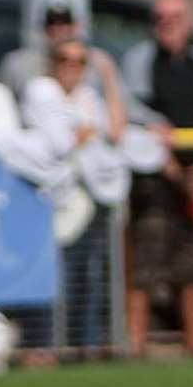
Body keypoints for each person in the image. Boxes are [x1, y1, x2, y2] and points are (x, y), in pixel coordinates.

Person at [120, 0, 193, 358]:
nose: (168, 24)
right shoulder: (140, 62)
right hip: (153, 179)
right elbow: (138, 116)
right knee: (145, 265)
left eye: (176, 17)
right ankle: (134, 347)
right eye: (160, 17)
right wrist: (172, 170)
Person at [23, 36, 130, 354]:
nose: (72, 69)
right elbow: (60, 142)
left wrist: (109, 78)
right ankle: (45, 347)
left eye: (80, 62)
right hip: (48, 203)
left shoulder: (87, 96)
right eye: (65, 60)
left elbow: (114, 131)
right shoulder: (41, 91)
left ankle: (86, 346)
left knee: (89, 279)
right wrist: (81, 137)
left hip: (87, 203)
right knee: (55, 280)